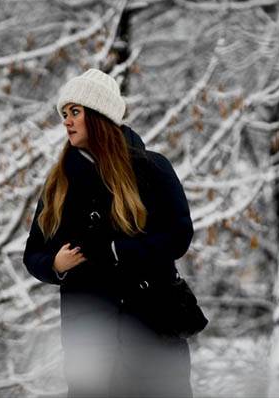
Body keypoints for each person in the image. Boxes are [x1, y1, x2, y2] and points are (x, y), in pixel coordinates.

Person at [23, 69, 195, 398]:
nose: (67, 121)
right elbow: (33, 253)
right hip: (90, 340)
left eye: (75, 111)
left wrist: (119, 251)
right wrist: (55, 265)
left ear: (99, 115)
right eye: (64, 113)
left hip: (152, 329)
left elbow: (178, 235)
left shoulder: (152, 168)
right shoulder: (59, 182)